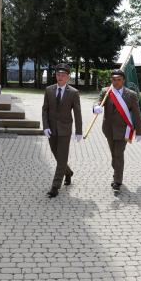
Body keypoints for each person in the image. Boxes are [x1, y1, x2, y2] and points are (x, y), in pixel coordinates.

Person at [93, 69, 141, 192]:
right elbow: (98, 101)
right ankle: (117, 173)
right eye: (113, 80)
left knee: (118, 154)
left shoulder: (131, 94)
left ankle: (117, 181)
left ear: (123, 80)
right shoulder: (106, 91)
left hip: (123, 130)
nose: (116, 82)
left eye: (118, 80)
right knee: (114, 155)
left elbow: (137, 114)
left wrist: (139, 131)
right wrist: (96, 107)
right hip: (109, 129)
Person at [42, 63, 83, 198]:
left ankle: (55, 186)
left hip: (65, 130)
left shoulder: (73, 93)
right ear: (56, 76)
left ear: (68, 77)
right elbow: (45, 110)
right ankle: (68, 172)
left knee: (62, 157)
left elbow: (77, 113)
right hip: (51, 130)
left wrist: (79, 131)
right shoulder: (49, 90)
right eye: (58, 74)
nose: (60, 77)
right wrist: (45, 126)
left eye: (63, 75)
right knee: (57, 155)